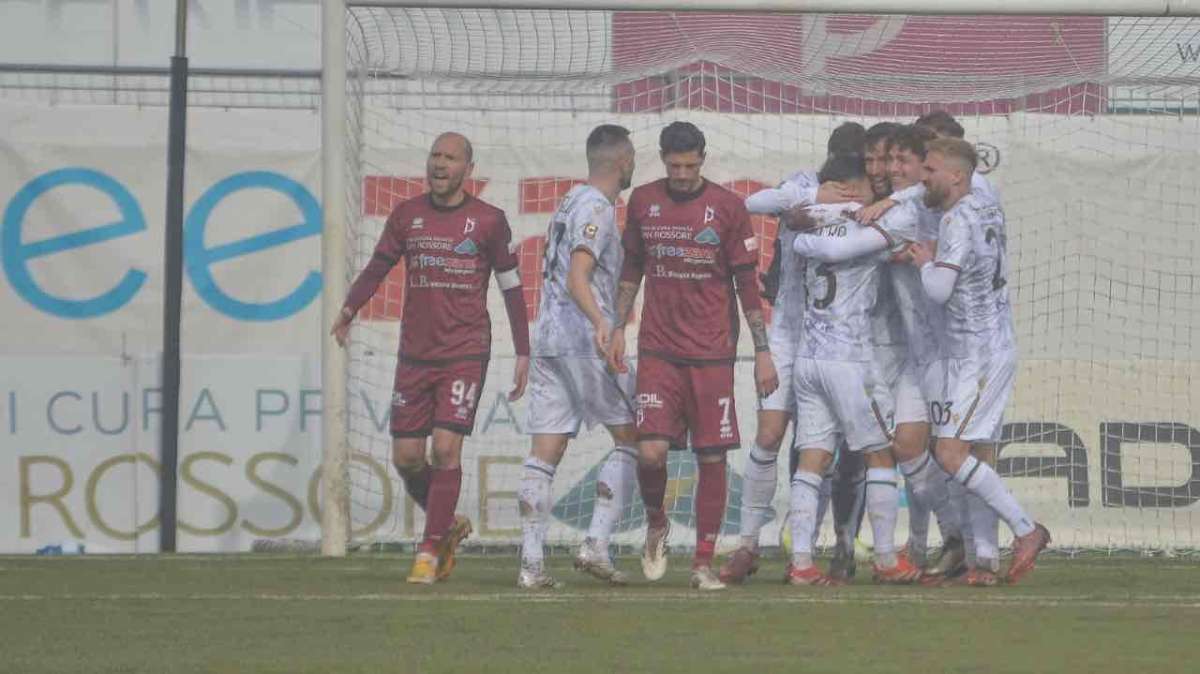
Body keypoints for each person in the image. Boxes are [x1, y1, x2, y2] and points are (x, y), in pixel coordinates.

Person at [330, 132, 531, 585]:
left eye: (450, 158)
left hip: (464, 351)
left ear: (467, 169)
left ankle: (429, 548)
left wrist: (523, 349)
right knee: (405, 458)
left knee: (444, 448)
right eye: (435, 156)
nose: (439, 164)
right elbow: (378, 266)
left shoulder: (489, 221)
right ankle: (449, 525)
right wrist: (348, 309)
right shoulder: (407, 215)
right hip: (415, 354)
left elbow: (511, 286)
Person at [607, 121, 778, 591]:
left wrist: (762, 352)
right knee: (651, 451)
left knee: (713, 458)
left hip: (713, 353)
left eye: (690, 165)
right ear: (662, 159)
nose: (682, 174)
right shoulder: (643, 201)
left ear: (702, 158)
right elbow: (632, 267)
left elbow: (747, 283)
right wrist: (618, 326)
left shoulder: (726, 208)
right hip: (659, 348)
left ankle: (702, 562)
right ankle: (657, 521)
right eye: (674, 165)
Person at [719, 122, 867, 584]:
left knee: (827, 452)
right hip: (787, 335)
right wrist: (814, 200)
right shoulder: (802, 185)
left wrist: (838, 205)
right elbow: (751, 203)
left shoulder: (869, 199)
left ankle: (823, 546)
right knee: (769, 434)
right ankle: (747, 545)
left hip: (836, 339)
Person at [901, 137, 1050, 585]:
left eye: (929, 170)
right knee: (976, 456)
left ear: (956, 176)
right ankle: (982, 560)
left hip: (979, 353)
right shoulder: (988, 207)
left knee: (949, 453)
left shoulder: (958, 218)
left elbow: (938, 291)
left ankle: (1027, 530)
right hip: (987, 346)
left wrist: (925, 261)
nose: (922, 177)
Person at [785, 153, 922, 585]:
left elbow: (802, 234)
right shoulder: (869, 227)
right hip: (849, 360)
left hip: (809, 360)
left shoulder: (808, 229)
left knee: (812, 460)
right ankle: (885, 558)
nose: (877, 189)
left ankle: (802, 564)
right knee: (880, 454)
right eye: (869, 185)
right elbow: (893, 240)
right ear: (852, 188)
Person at [516, 124, 639, 589]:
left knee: (544, 454)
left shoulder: (569, 200)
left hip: (546, 337)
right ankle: (596, 544)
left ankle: (530, 565)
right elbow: (578, 275)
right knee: (632, 438)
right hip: (581, 340)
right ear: (623, 160)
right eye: (633, 158)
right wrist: (602, 322)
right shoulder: (598, 207)